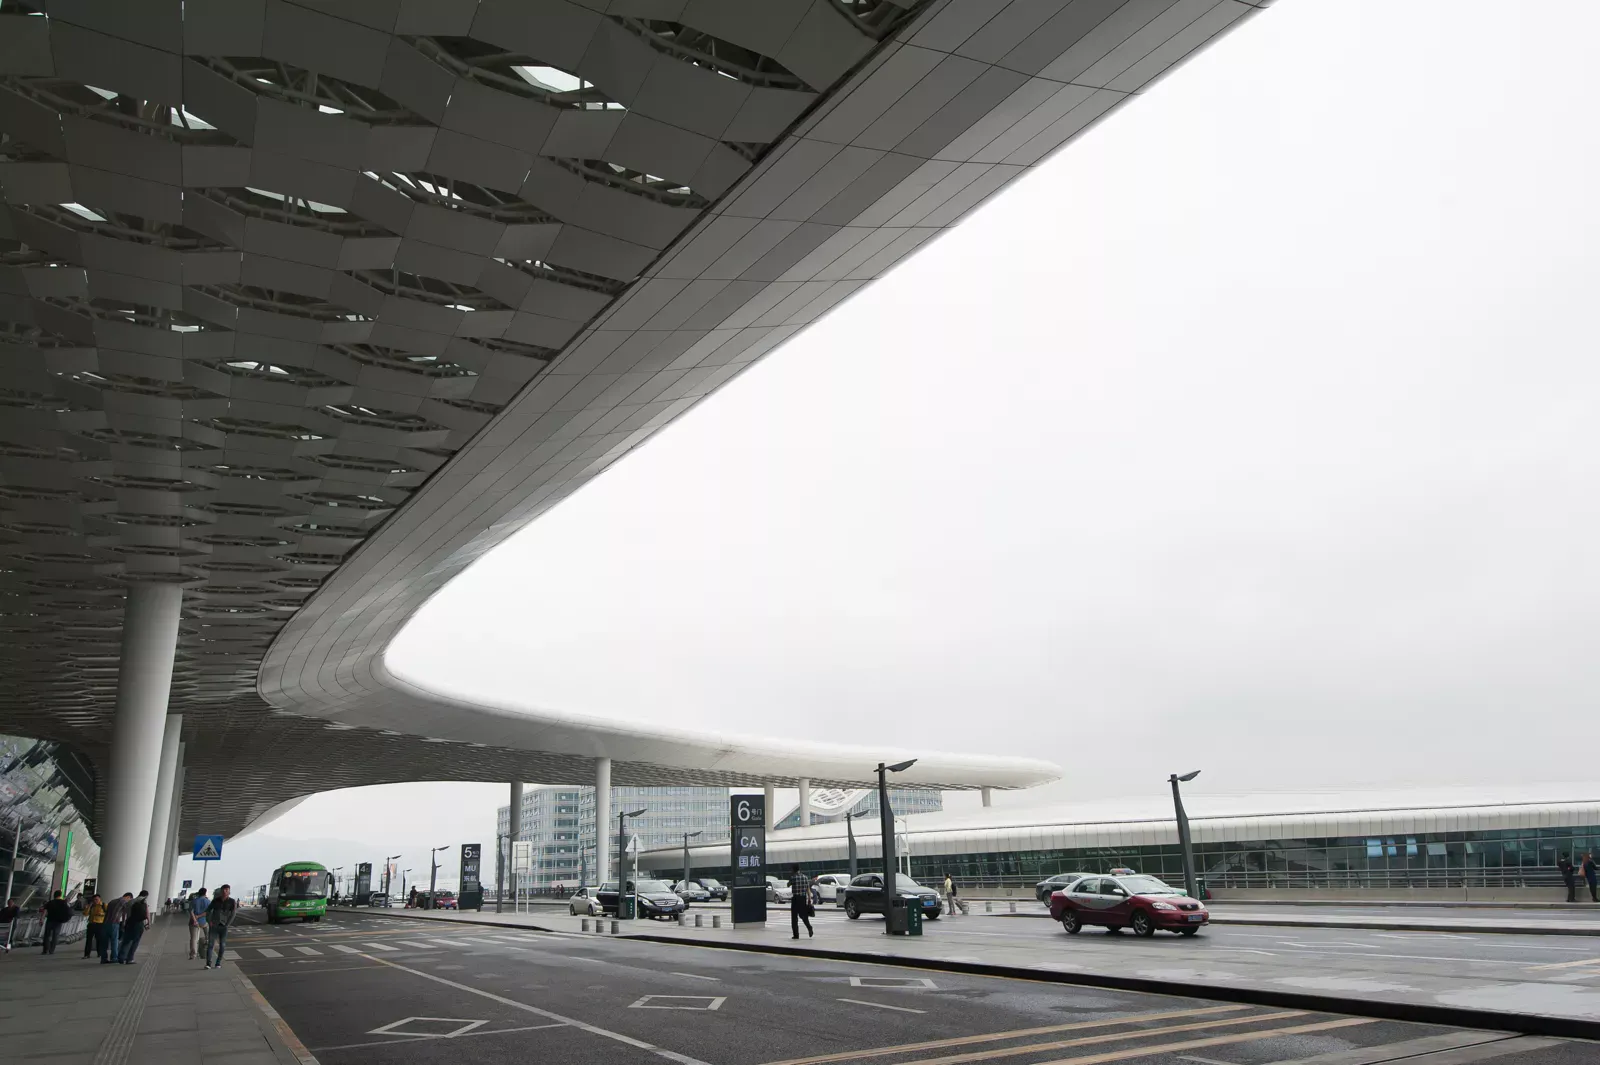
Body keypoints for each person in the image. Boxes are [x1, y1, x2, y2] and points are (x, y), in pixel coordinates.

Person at [204, 884, 237, 970]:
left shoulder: (232, 901)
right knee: (211, 944)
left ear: (229, 891)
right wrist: (209, 921)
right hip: (214, 925)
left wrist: (228, 924)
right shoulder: (215, 901)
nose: (224, 891)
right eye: (223, 890)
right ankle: (208, 963)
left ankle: (218, 962)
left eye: (226, 890)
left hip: (224, 926)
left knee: (222, 945)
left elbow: (233, 913)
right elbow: (208, 910)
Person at [118, 890, 151, 964]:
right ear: (146, 896)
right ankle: (130, 959)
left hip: (129, 922)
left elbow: (125, 912)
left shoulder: (130, 901)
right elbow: (147, 913)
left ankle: (121, 957)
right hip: (138, 924)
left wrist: (124, 922)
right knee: (135, 941)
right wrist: (148, 923)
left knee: (126, 941)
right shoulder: (143, 901)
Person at [103, 891, 132, 964]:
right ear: (128, 897)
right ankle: (114, 958)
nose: (128, 901)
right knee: (114, 941)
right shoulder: (123, 902)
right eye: (129, 899)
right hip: (114, 923)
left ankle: (103, 958)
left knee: (104, 942)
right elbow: (125, 913)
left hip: (105, 923)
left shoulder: (112, 901)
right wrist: (124, 924)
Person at [40, 890, 73, 954]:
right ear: (60, 895)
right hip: (58, 922)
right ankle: (51, 950)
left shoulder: (50, 902)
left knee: (47, 935)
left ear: (54, 895)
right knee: (55, 936)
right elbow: (69, 911)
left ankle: (45, 950)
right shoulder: (64, 902)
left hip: (50, 920)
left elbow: (45, 911)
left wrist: (42, 919)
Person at [787, 864, 813, 939]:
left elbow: (788, 885)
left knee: (794, 917)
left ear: (793, 870)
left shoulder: (793, 877)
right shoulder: (805, 877)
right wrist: (809, 899)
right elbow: (808, 889)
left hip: (795, 899)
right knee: (803, 915)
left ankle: (796, 935)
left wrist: (790, 877)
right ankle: (809, 927)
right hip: (803, 898)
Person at [187, 887, 209, 961]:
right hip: (204, 922)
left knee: (194, 939)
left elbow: (191, 911)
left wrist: (195, 920)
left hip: (193, 923)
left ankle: (193, 955)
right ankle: (206, 945)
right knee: (208, 934)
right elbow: (208, 912)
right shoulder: (207, 901)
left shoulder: (194, 901)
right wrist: (200, 916)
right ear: (205, 893)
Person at [82, 894, 107, 960]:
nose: (95, 901)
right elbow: (85, 914)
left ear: (100, 899)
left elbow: (107, 913)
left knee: (99, 939)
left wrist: (101, 914)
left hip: (100, 924)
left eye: (97, 899)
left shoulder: (104, 905)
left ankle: (99, 953)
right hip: (91, 924)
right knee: (89, 940)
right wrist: (89, 906)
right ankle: (87, 954)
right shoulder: (91, 906)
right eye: (94, 900)